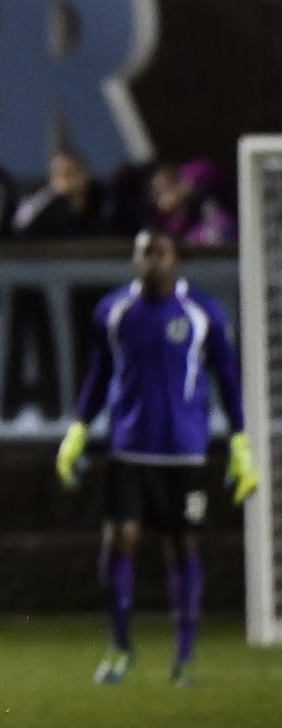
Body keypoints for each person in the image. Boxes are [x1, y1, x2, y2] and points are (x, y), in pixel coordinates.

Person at [55, 229, 258, 686]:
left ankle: (184, 658)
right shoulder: (114, 311)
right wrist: (78, 431)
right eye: (145, 253)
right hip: (129, 448)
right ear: (135, 259)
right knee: (118, 539)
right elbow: (99, 375)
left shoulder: (202, 312)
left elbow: (227, 378)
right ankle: (120, 648)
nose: (153, 261)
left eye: (160, 253)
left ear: (176, 259)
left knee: (184, 545)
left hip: (185, 453)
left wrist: (240, 443)